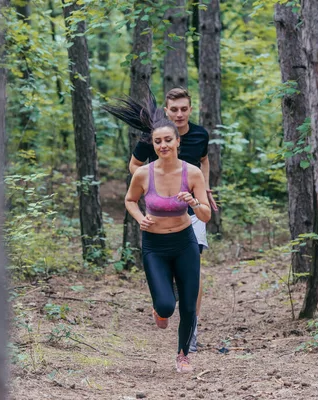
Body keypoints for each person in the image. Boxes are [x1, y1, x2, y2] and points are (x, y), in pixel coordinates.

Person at [103, 93, 211, 373]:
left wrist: (194, 203)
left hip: (184, 241)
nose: (163, 145)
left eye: (168, 140)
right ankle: (159, 311)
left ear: (178, 142)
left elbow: (206, 214)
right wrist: (140, 217)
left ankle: (183, 355)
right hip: (154, 246)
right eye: (157, 141)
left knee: (188, 304)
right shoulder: (143, 174)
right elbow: (128, 200)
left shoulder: (193, 173)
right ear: (153, 144)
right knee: (165, 306)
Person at [129, 88, 217, 352]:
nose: (179, 114)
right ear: (166, 111)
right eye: (174, 109)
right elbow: (134, 166)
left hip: (192, 206)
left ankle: (192, 331)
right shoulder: (155, 137)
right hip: (161, 206)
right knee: (170, 278)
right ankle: (165, 301)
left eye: (184, 109)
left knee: (195, 267)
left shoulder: (201, 134)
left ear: (190, 109)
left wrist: (204, 190)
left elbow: (204, 160)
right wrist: (153, 183)